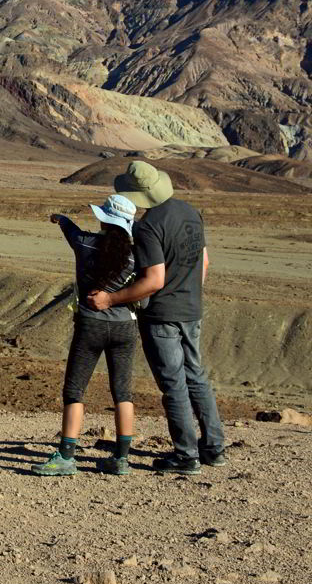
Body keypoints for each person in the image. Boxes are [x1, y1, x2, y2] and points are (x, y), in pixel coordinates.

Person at [88, 160, 225, 474]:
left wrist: (110, 298)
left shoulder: (148, 227)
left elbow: (154, 280)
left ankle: (186, 455)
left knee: (173, 384)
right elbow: (204, 262)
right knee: (196, 376)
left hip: (163, 314)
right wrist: (189, 292)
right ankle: (214, 448)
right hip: (191, 308)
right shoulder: (190, 212)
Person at [32, 193, 142, 476]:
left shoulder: (85, 244)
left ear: (104, 220)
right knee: (123, 392)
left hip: (90, 325)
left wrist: (62, 218)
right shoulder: (136, 255)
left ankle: (67, 456)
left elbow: (71, 230)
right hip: (125, 326)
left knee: (75, 390)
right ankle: (121, 458)